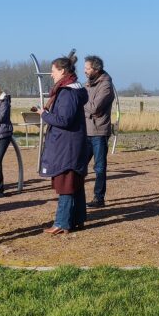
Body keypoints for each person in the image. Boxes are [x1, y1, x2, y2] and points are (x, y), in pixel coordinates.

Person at [39, 54, 88, 234]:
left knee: (66, 183)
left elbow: (64, 120)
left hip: (67, 146)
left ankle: (62, 223)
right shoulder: (72, 90)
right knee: (75, 182)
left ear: (62, 71)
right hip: (71, 144)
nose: (51, 75)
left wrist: (43, 115)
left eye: (53, 71)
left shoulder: (67, 93)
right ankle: (78, 219)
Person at [83, 55, 115, 208]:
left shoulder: (106, 85)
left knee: (100, 167)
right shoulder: (88, 83)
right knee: (79, 164)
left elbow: (95, 108)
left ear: (96, 69)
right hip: (85, 130)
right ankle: (77, 194)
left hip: (99, 131)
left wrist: (81, 104)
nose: (85, 71)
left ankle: (99, 197)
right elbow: (87, 104)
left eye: (87, 68)